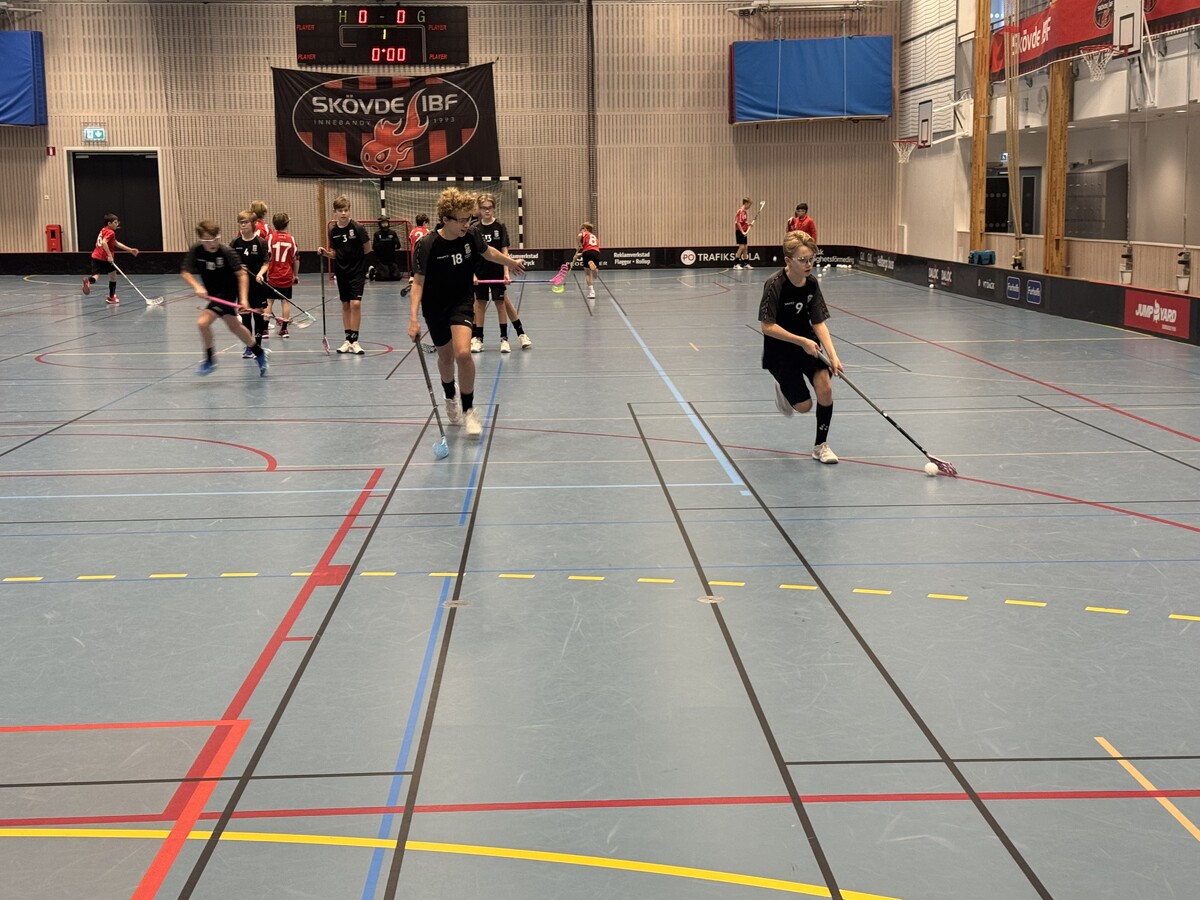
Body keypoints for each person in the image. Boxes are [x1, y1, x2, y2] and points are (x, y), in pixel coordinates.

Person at [408, 188, 527, 438]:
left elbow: (489, 252)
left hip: (461, 302)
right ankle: (449, 394)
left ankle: (469, 409)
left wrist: (511, 263)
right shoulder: (427, 244)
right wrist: (414, 319)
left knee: (463, 353)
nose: (466, 224)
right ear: (446, 219)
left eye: (468, 219)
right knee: (445, 358)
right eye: (461, 220)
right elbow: (418, 283)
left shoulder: (471, 235)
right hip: (434, 306)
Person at [758, 231, 843, 464]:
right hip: (780, 351)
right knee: (804, 406)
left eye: (811, 259)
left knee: (825, 388)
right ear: (788, 261)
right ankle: (782, 387)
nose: (809, 264)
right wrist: (801, 341)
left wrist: (833, 356)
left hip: (809, 344)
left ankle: (820, 446)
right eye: (803, 260)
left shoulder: (812, 284)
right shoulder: (775, 284)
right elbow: (767, 326)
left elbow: (818, 322)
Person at [181, 220, 268, 377]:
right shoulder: (196, 250)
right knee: (235, 327)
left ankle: (209, 360)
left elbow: (242, 275)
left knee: (202, 323)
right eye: (207, 240)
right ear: (201, 239)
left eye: (215, 239)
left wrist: (243, 299)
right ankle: (259, 352)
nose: (212, 243)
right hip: (214, 293)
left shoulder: (227, 252)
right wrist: (197, 286)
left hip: (227, 292)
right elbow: (185, 272)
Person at [470, 193, 532, 353]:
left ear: (494, 208)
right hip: (480, 272)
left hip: (496, 272)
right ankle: (478, 338)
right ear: (478, 209)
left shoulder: (500, 226)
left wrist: (506, 272)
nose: (487, 210)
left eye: (490, 207)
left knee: (502, 303)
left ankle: (509, 337)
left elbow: (504, 251)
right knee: (480, 304)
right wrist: (472, 274)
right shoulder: (473, 228)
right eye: (483, 208)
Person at [317, 195, 371, 355]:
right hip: (341, 272)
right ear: (335, 212)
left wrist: (356, 261)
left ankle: (355, 340)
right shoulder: (333, 231)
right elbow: (334, 253)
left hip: (357, 272)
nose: (343, 213)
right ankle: (348, 340)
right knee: (346, 304)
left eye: (346, 210)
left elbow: (367, 248)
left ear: (349, 211)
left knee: (356, 304)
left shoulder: (358, 228)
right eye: (340, 210)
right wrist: (325, 253)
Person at [231, 210, 270, 357]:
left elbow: (266, 263)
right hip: (242, 287)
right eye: (241, 222)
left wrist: (260, 274)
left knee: (258, 315)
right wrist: (237, 268)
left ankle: (257, 345)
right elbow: (230, 263)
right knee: (245, 315)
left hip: (257, 285)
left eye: (245, 222)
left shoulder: (260, 242)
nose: (243, 225)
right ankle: (249, 346)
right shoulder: (235, 243)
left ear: (253, 223)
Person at [82, 213, 139, 303]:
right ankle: (111, 297)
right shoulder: (111, 232)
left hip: (95, 256)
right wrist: (109, 255)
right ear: (109, 223)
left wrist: (130, 250)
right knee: (113, 276)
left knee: (96, 275)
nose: (117, 224)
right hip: (105, 258)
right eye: (115, 222)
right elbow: (104, 243)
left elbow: (116, 243)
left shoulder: (103, 230)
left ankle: (88, 281)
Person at [265, 212, 299, 339]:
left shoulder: (270, 238)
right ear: (287, 224)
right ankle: (284, 329)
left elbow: (266, 257)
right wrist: (295, 275)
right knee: (285, 301)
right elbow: (296, 258)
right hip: (286, 275)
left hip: (272, 276)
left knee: (269, 301)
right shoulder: (291, 239)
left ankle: (264, 330)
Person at [371, 216, 403, 281]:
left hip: (391, 260)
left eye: (386, 223)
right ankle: (373, 271)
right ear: (380, 224)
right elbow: (374, 247)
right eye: (383, 223)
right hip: (381, 260)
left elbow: (398, 246)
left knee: (396, 277)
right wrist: (381, 245)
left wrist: (395, 242)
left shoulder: (393, 233)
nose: (385, 225)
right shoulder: (377, 234)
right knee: (383, 278)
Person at [578, 221, 601, 300]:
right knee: (595, 275)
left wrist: (579, 244)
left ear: (585, 229)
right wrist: (580, 254)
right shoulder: (594, 237)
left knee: (587, 273)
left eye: (581, 229)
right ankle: (594, 270)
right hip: (596, 252)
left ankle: (592, 292)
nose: (580, 231)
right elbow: (591, 248)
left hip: (586, 252)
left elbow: (579, 236)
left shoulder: (584, 233)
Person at [733, 198, 752, 269]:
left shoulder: (744, 212)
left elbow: (743, 222)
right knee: (741, 247)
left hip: (744, 231)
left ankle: (745, 263)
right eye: (749, 205)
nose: (749, 207)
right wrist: (742, 232)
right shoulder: (740, 211)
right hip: (740, 231)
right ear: (746, 203)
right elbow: (738, 223)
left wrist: (748, 224)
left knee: (745, 247)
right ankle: (736, 264)